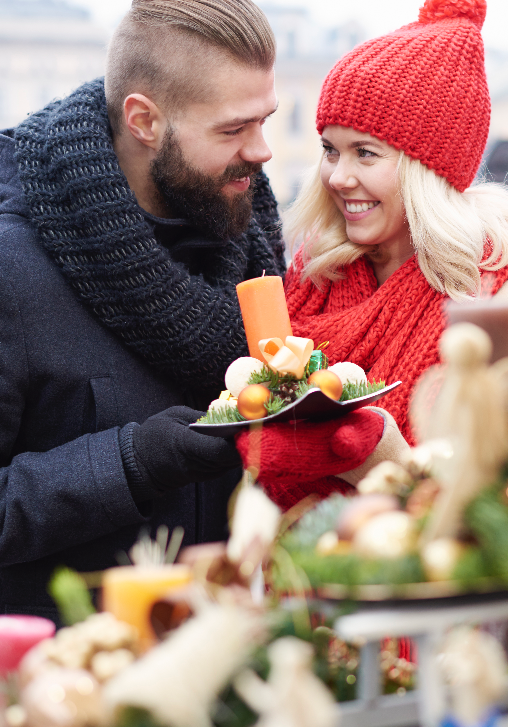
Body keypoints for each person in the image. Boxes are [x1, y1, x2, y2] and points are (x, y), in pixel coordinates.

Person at [0, 0, 287, 621]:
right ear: (144, 120)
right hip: (72, 683)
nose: (263, 151)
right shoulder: (12, 264)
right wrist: (130, 462)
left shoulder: (254, 241)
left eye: (266, 120)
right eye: (234, 130)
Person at [239, 0, 508, 510]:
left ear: (429, 170)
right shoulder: (310, 287)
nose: (339, 177)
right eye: (330, 150)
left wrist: (381, 454)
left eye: (365, 152)